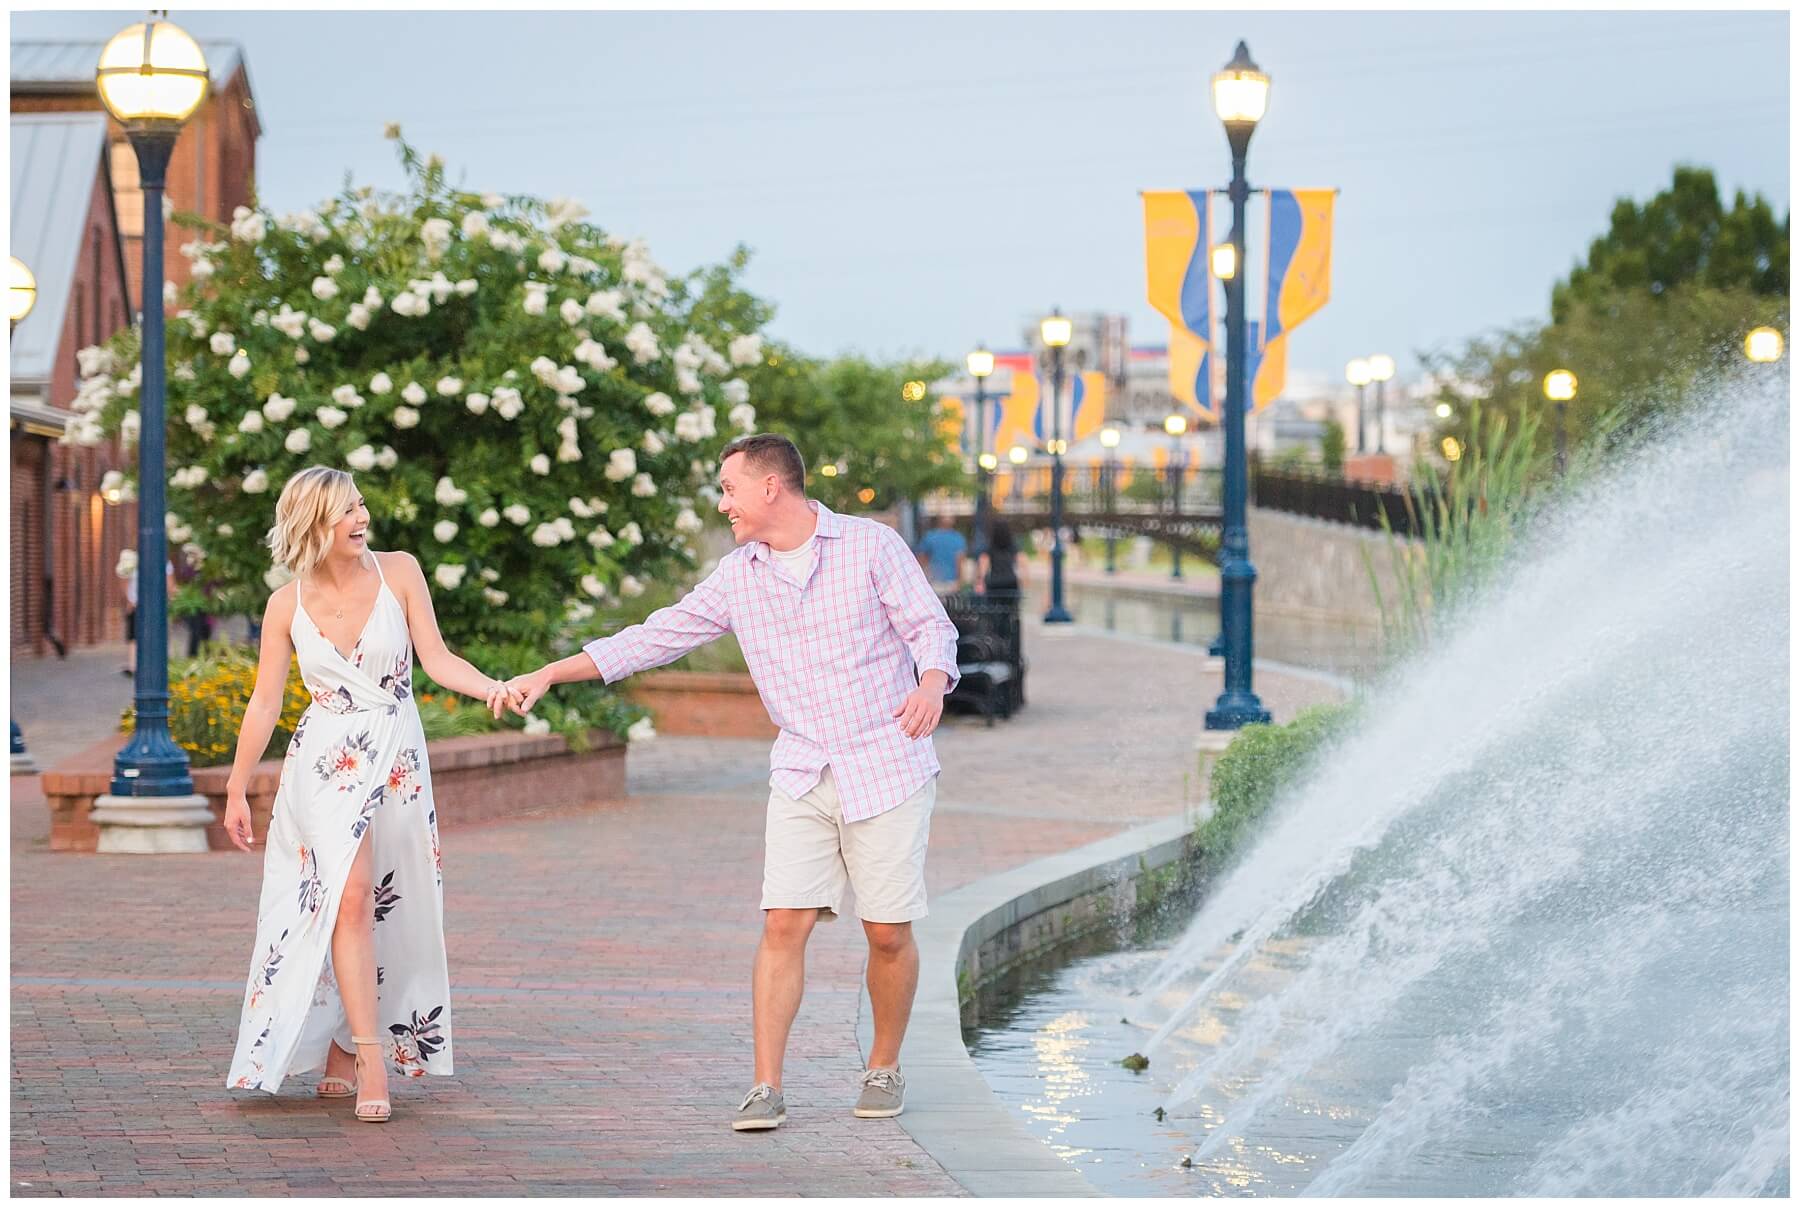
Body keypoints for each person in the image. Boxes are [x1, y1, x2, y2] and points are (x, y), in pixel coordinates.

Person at [505, 433, 958, 1132]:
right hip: (804, 767)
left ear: (771, 487)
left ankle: (883, 1065)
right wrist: (551, 673)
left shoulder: (870, 547)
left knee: (887, 932)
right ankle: (766, 1086)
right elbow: (653, 637)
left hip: (886, 760)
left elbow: (930, 625)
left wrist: (931, 683)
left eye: (730, 490)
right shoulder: (738, 575)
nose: (725, 505)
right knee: (783, 922)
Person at [221, 467, 515, 1122]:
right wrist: (239, 786)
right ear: (311, 524)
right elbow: (266, 700)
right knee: (349, 899)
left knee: (391, 901)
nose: (361, 519)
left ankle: (339, 1044)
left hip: (396, 757)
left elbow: (436, 660)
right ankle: (368, 1054)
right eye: (344, 512)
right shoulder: (283, 605)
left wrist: (491, 687)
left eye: (361, 506)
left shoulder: (400, 573)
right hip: (324, 764)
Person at [120, 556, 174, 675]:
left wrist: (129, 599)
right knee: (154, 633)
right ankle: (156, 664)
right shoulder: (162, 560)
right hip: (150, 603)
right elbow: (170, 585)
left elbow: (124, 580)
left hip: (139, 602)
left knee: (134, 635)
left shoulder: (131, 559)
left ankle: (133, 664)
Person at [913, 513, 967, 591]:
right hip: (951, 583)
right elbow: (960, 561)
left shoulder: (929, 536)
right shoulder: (958, 538)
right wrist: (960, 581)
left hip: (933, 582)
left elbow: (921, 560)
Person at [976, 519, 1026, 600]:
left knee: (995, 609)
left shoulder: (990, 546)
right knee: (1011, 610)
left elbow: (983, 564)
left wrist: (980, 582)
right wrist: (1023, 581)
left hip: (994, 583)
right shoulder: (1012, 546)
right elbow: (1023, 562)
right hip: (1011, 582)